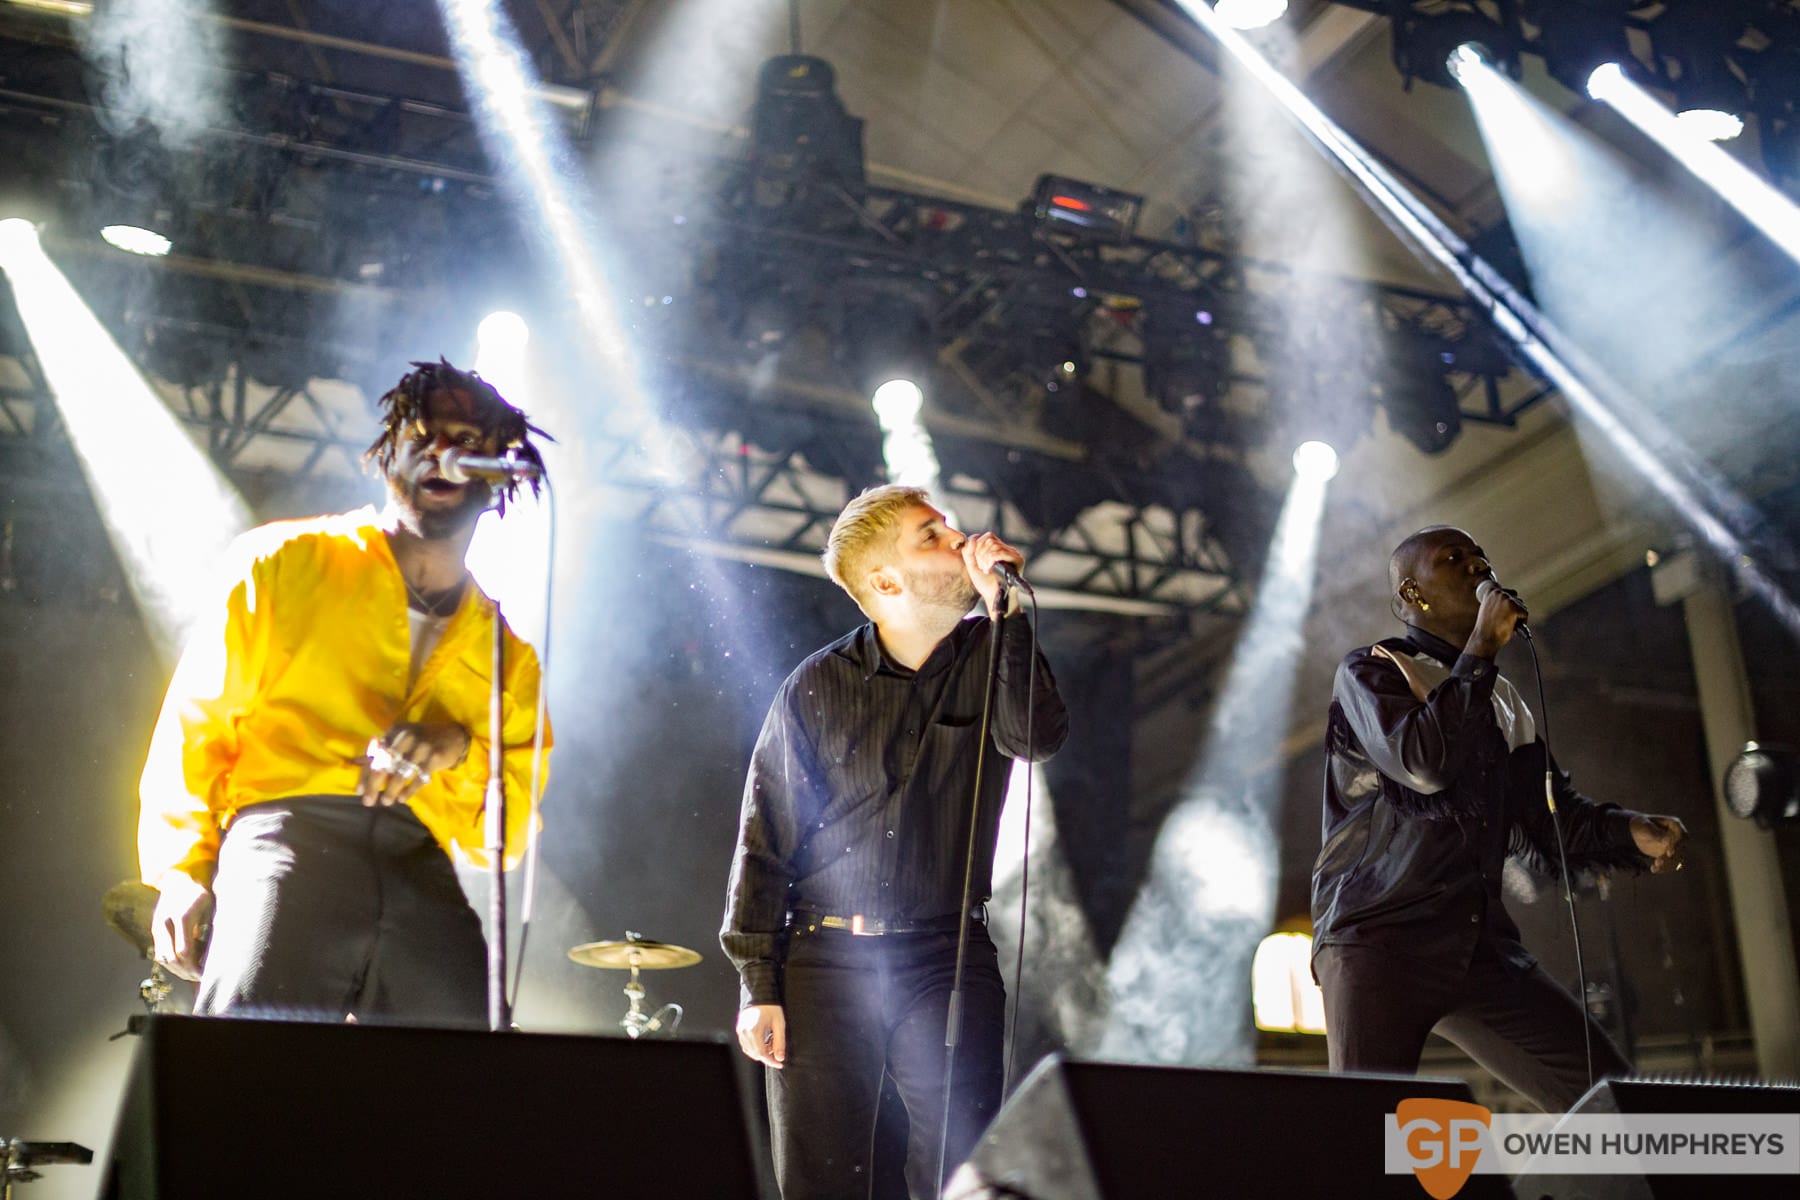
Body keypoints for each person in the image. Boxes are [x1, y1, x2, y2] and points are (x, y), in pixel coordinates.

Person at [138, 358, 551, 1027]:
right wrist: (183, 869)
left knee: (475, 1078)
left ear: (499, 472)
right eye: (425, 436)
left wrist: (455, 747)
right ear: (389, 454)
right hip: (287, 831)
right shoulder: (286, 561)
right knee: (247, 1063)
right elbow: (197, 721)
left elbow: (507, 826)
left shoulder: (508, 654)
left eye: (468, 443)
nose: (444, 454)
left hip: (419, 860)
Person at [722, 484, 1069, 1199]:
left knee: (964, 1165)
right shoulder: (818, 684)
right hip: (822, 958)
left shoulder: (990, 650)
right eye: (931, 536)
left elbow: (1034, 737)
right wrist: (758, 981)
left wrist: (1008, 615)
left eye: (950, 526)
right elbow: (764, 839)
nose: (959, 538)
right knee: (826, 1178)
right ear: (886, 580)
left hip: (946, 953)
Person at [1311, 525, 1688, 1111]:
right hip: (1379, 939)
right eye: (1453, 558)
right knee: (1366, 1137)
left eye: (1480, 555)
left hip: (1475, 942)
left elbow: (1550, 823)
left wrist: (1630, 830)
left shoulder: (1502, 698)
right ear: (1413, 595)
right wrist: (1481, 649)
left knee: (1616, 1103)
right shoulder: (1373, 670)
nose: (1476, 565)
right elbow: (1423, 763)